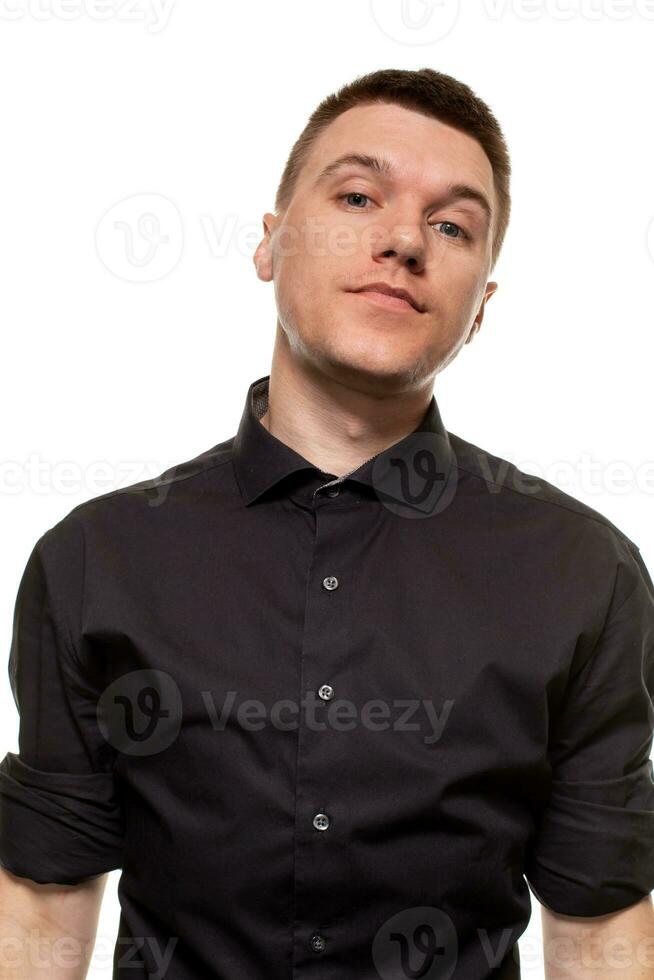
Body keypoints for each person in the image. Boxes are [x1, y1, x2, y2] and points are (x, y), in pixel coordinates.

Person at [1, 67, 653, 980]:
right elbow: (43, 896)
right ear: (270, 245)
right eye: (358, 196)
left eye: (452, 225)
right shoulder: (93, 558)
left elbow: (599, 924)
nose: (402, 240)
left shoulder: (586, 572)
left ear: (480, 311)